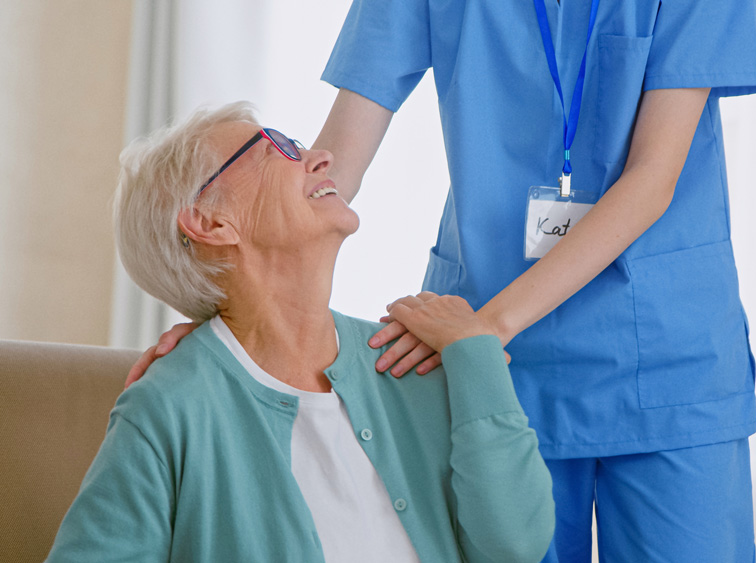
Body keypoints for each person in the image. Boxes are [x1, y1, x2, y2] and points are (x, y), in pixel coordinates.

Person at [133, 0, 756, 560]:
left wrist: (485, 326)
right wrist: (236, 316)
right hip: (492, 382)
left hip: (662, 364)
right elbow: (330, 168)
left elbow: (652, 179)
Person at [46, 102, 555, 563]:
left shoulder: (415, 361)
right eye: (276, 148)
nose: (320, 157)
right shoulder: (171, 403)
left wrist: (477, 351)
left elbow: (514, 547)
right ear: (210, 223)